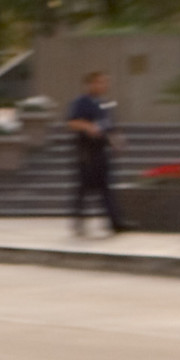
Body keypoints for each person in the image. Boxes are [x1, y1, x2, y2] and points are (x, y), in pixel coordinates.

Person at [66, 70, 125, 236]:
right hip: (86, 152)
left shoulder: (104, 104)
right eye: (100, 82)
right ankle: (78, 219)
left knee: (106, 187)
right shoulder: (81, 102)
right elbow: (72, 122)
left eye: (105, 82)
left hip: (101, 150)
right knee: (84, 188)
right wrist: (89, 127)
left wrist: (115, 140)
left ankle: (115, 222)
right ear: (90, 84)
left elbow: (110, 126)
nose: (104, 85)